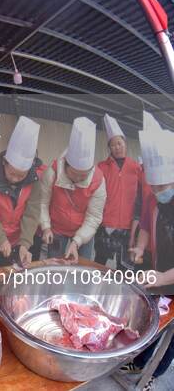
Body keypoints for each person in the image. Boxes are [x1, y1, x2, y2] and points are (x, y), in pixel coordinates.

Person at [126, 125, 174, 390]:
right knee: (152, 322)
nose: (158, 190)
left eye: (164, 185)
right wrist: (141, 248)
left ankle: (154, 373)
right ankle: (140, 362)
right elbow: (145, 225)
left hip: (168, 274)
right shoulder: (153, 197)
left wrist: (164, 276)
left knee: (171, 335)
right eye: (153, 185)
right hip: (161, 274)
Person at [0, 116, 42, 269]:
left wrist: (25, 243)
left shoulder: (34, 181)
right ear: (4, 162)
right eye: (12, 173)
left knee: (8, 274)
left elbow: (31, 214)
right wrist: (0, 239)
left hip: (15, 239)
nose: (15, 179)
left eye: (21, 175)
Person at [40, 117, 106, 262]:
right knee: (54, 265)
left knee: (82, 266)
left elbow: (93, 217)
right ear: (66, 165)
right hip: (57, 228)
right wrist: (46, 227)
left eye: (84, 176)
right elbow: (42, 203)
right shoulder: (52, 173)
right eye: (74, 174)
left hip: (83, 229)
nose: (78, 179)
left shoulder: (98, 181)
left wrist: (77, 241)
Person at [94, 114, 142, 270]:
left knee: (124, 268)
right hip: (106, 225)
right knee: (99, 263)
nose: (117, 147)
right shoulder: (101, 167)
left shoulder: (136, 168)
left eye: (120, 143)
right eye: (113, 145)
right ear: (109, 148)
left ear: (125, 144)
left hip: (128, 227)